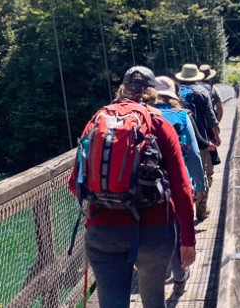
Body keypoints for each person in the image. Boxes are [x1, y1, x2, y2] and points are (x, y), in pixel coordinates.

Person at [69, 66, 196, 308]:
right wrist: (188, 238)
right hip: (155, 229)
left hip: (103, 230)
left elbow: (74, 183)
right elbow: (181, 187)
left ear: (122, 89)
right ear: (152, 93)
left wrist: (106, 197)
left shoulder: (97, 121)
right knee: (153, 302)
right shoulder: (159, 124)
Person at [150, 75, 207, 293]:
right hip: (177, 185)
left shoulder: (143, 116)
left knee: (153, 226)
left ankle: (156, 269)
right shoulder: (181, 116)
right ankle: (179, 274)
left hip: (149, 186)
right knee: (177, 229)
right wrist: (200, 185)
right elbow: (193, 154)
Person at [175, 63, 219, 221]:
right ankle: (201, 206)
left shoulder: (175, 93)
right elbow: (211, 118)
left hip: (179, 141)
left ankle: (184, 208)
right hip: (201, 140)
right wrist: (216, 137)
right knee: (205, 172)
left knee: (183, 173)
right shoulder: (202, 91)